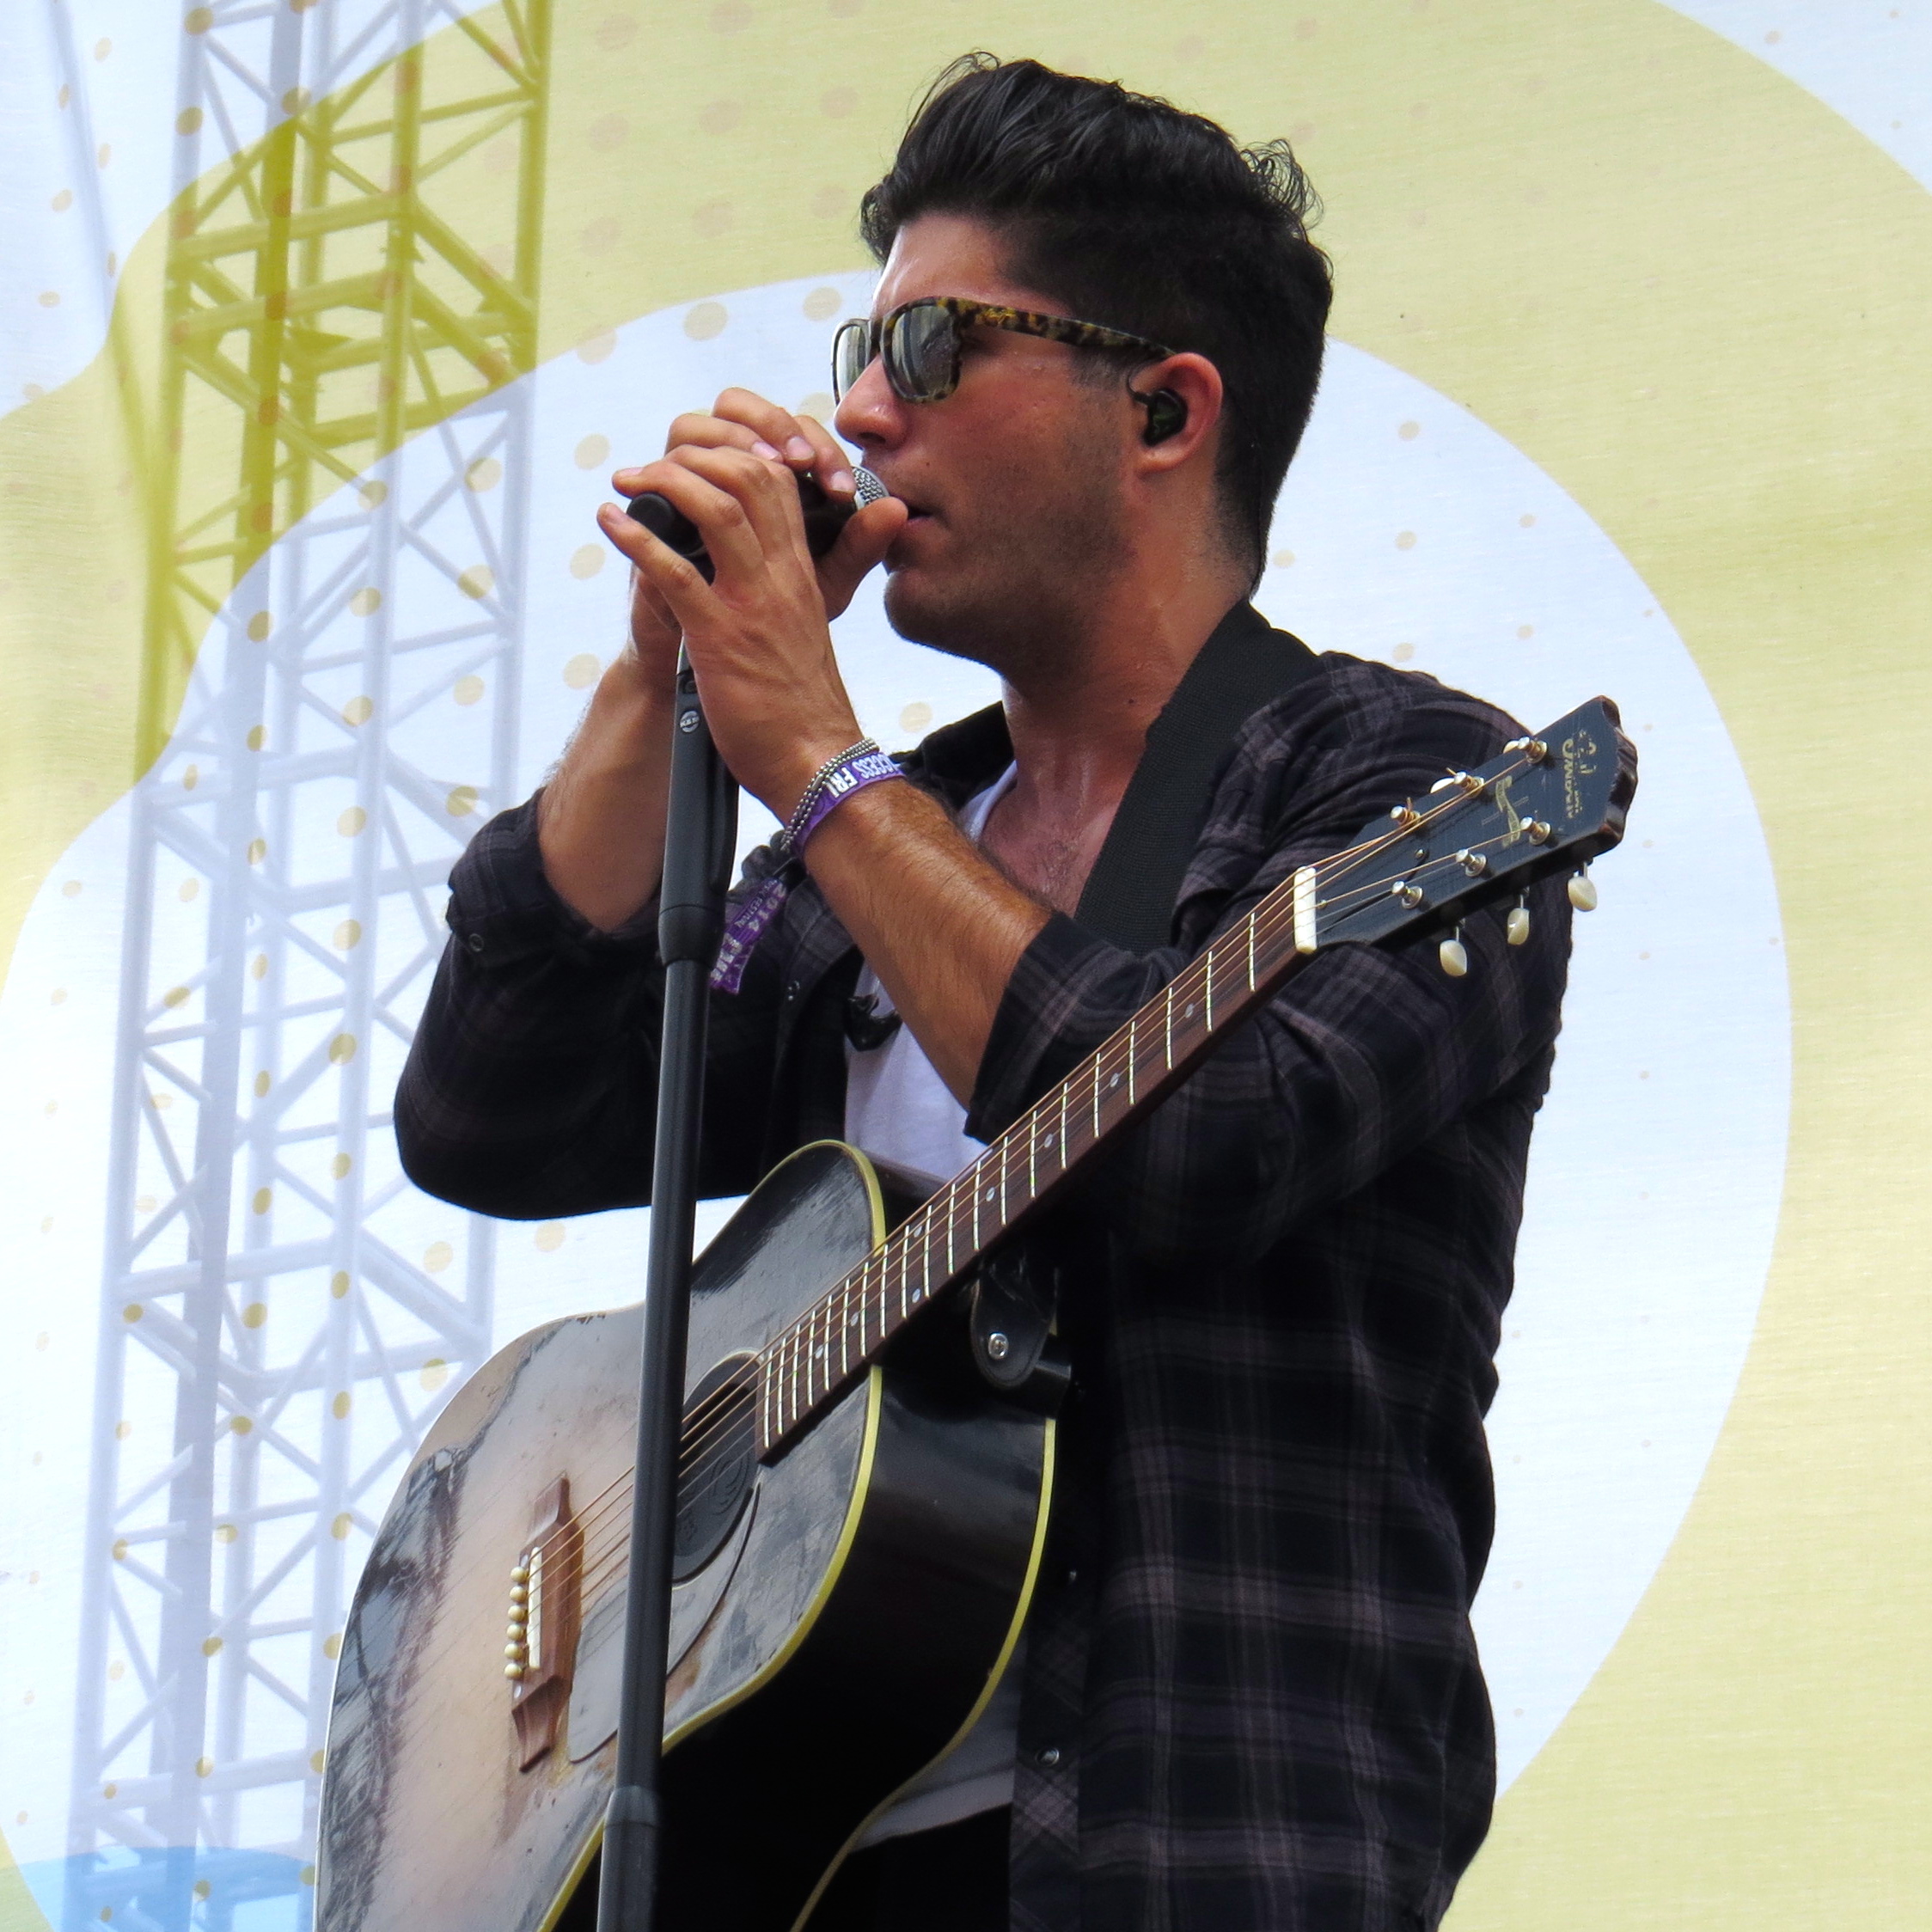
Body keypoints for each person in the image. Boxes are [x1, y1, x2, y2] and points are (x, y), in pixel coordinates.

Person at [397, 53, 1574, 1932]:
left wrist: (816, 759)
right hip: (791, 1858)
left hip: (1181, 1845)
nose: (862, 410)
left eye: (933, 348)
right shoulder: (886, 840)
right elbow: (491, 1115)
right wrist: (662, 679)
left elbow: (1206, 1145)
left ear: (1164, 410)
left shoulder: (1409, 788)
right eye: (861, 350)